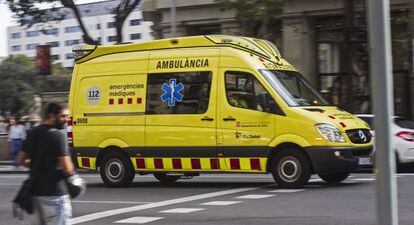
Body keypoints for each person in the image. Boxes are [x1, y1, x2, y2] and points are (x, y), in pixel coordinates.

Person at [18, 103, 75, 225]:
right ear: (51, 115)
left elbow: (21, 160)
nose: (66, 120)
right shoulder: (58, 135)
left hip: (36, 195)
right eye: (63, 116)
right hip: (55, 195)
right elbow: (67, 167)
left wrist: (38, 165)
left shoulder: (31, 133)